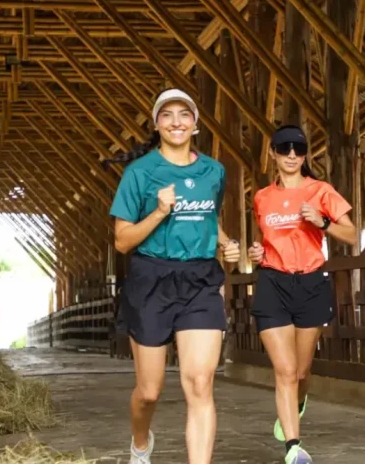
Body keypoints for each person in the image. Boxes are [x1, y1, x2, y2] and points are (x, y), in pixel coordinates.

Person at [109, 88, 241, 464]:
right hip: (151, 278)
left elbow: (210, 220)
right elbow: (121, 241)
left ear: (196, 124)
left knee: (200, 384)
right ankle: (140, 444)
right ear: (156, 124)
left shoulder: (213, 171)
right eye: (167, 115)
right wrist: (159, 213)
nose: (177, 122)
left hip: (200, 280)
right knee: (149, 392)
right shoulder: (139, 173)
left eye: (184, 114)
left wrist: (226, 244)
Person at [247, 124, 357, 464]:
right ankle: (293, 448)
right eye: (284, 148)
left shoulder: (320, 191)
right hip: (272, 282)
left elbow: (351, 235)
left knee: (301, 372)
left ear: (306, 154)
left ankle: (296, 402)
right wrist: (256, 253)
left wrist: (322, 223)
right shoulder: (262, 197)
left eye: (298, 148)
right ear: (274, 154)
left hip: (310, 283)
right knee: (284, 370)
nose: (292, 155)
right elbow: (264, 240)